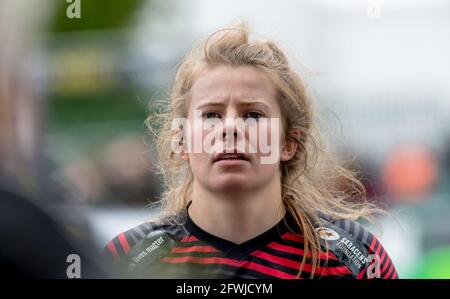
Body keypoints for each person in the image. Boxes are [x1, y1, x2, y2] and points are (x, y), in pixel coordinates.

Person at [104, 22, 398, 279]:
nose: (230, 128)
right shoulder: (126, 260)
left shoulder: (354, 257)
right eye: (211, 115)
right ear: (181, 141)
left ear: (288, 143)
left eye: (253, 115)